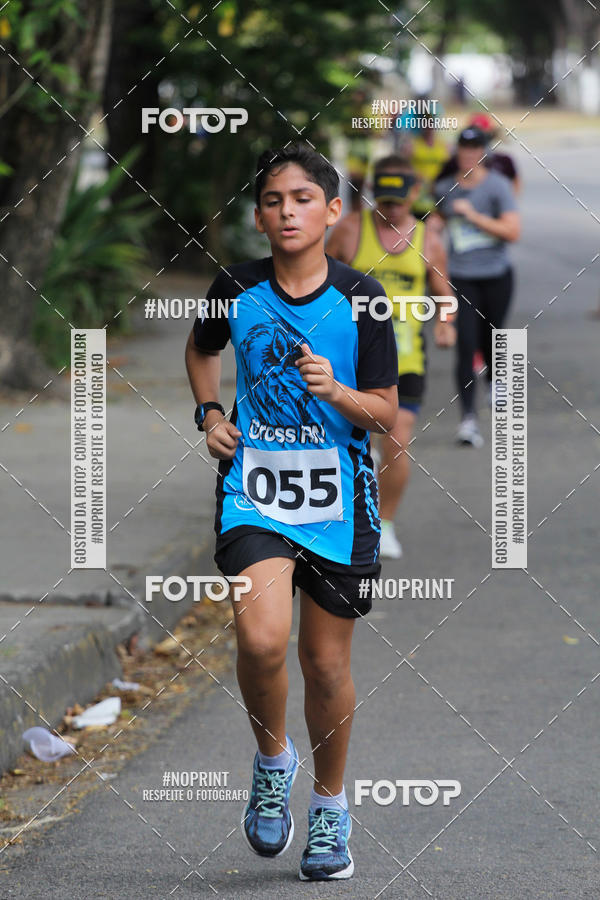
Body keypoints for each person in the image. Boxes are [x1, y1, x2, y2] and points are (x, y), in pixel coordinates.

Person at [185, 143, 398, 881]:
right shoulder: (234, 287)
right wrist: (210, 413)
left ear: (333, 211)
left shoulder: (363, 298)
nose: (288, 212)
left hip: (339, 504)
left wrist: (338, 392)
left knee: (324, 660)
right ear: (259, 215)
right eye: (274, 200)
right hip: (255, 492)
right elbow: (201, 347)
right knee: (262, 638)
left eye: (304, 199)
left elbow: (386, 414)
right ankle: (273, 760)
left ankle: (332, 809)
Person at [326, 156, 456, 559]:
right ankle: (339, 519)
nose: (390, 208)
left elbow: (444, 292)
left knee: (397, 442)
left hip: (405, 358)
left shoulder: (428, 240)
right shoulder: (350, 231)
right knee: (344, 440)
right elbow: (318, 278)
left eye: (398, 201)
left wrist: (445, 322)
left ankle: (384, 524)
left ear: (414, 195)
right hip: (349, 357)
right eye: (383, 199)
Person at [434, 126, 520, 448]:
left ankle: (496, 382)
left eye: (475, 149)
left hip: (497, 275)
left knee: (493, 339)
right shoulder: (445, 187)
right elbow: (433, 227)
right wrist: (435, 225)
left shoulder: (497, 187)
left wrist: (473, 216)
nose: (469, 155)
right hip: (462, 278)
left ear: (484, 153)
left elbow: (513, 232)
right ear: (457, 152)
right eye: (463, 149)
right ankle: (468, 420)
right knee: (466, 345)